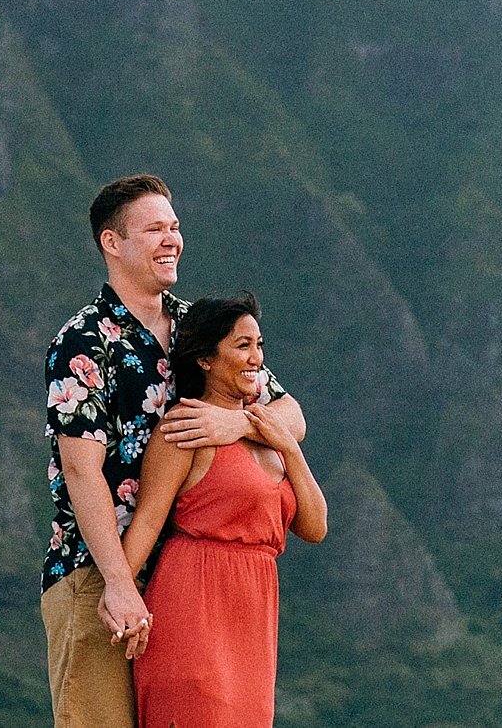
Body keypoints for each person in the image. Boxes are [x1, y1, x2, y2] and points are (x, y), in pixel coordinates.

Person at [43, 176, 310, 728]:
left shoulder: (200, 329)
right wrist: (118, 585)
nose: (172, 240)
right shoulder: (83, 342)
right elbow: (80, 469)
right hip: (102, 573)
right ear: (112, 244)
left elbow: (292, 418)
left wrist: (231, 421)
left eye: (175, 228)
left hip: (189, 584)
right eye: (154, 229)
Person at [120, 295, 327, 728]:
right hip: (192, 603)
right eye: (242, 346)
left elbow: (315, 526)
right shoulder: (186, 427)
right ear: (206, 360)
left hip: (254, 614)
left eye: (259, 344)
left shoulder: (267, 431)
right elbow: (147, 524)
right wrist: (117, 594)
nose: (257, 359)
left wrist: (287, 444)